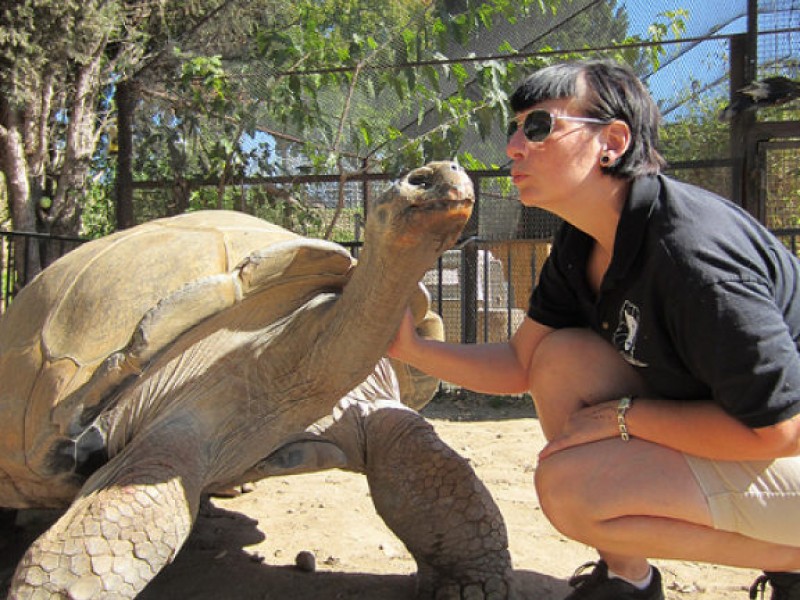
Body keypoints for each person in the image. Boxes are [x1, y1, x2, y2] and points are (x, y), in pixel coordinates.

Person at [389, 58, 800, 600]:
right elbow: (522, 365)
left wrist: (629, 417)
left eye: (538, 127)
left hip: (782, 443)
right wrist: (411, 347)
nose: (513, 146)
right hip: (754, 439)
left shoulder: (692, 258)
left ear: (612, 141)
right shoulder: (582, 242)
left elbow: (778, 431)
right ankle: (630, 580)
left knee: (571, 489)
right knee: (561, 361)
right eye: (515, 129)